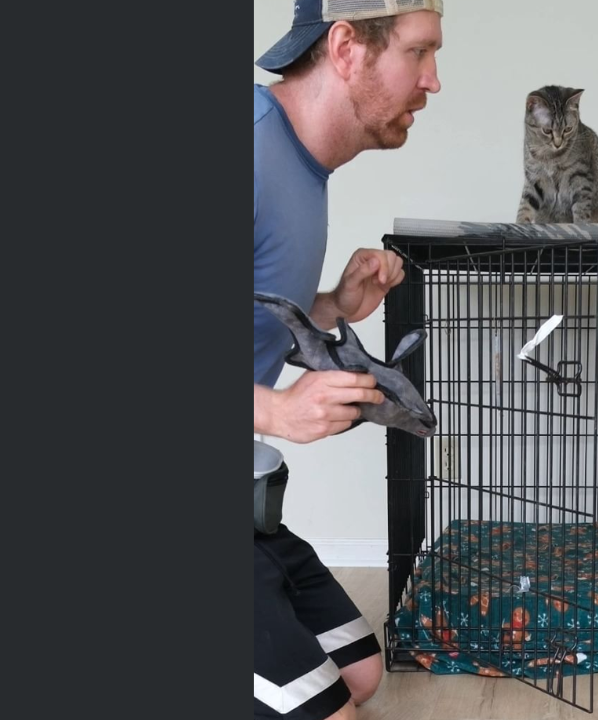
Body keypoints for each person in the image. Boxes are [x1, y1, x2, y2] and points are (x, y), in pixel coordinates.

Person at [253, 2, 443, 718]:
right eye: (419, 52)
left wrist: (334, 304)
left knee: (360, 676)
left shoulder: (305, 167)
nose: (433, 81)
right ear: (346, 49)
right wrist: (274, 408)